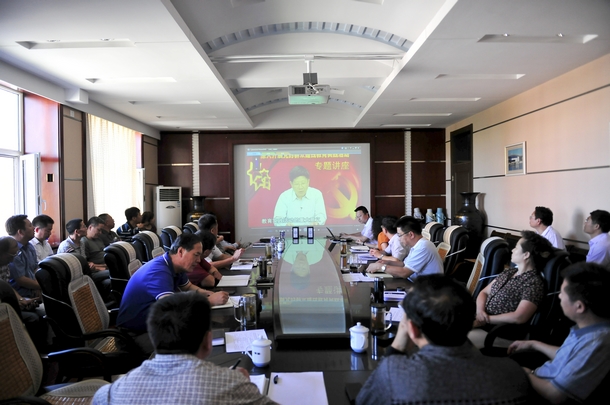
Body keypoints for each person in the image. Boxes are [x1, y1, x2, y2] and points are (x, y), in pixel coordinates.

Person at [356, 274, 531, 404]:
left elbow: (363, 401)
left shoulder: (394, 373)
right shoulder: (514, 373)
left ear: (412, 329)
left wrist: (396, 348)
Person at [93, 292, 276, 405]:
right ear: (208, 341)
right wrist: (242, 386)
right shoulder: (233, 386)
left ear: (154, 337)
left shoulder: (111, 393)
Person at [508, 262, 610, 403]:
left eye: (562, 293)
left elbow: (554, 395)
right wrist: (534, 344)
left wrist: (525, 373)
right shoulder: (589, 327)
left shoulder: (595, 342)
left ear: (579, 306)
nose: (559, 296)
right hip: (537, 379)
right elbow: (567, 357)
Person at [116, 233, 229, 355]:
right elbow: (172, 308)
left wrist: (207, 293)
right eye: (196, 255)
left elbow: (188, 287)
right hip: (134, 335)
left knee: (201, 333)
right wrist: (210, 301)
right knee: (191, 346)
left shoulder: (175, 265)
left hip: (157, 326)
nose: (199, 260)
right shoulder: (158, 271)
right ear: (181, 251)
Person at [470, 231, 554, 348]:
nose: (513, 250)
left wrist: (485, 319)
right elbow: (484, 292)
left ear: (526, 255)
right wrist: (480, 312)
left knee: (454, 339)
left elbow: (519, 317)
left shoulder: (533, 283)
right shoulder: (509, 272)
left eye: (516, 247)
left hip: (498, 333)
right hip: (481, 321)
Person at [366, 216, 443, 280]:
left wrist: (381, 267)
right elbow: (404, 264)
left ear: (411, 234)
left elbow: (404, 272)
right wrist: (386, 262)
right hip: (416, 284)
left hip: (428, 290)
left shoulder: (423, 247)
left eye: (400, 235)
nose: (399, 239)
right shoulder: (417, 245)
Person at [6, 215, 41, 299]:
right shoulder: (12, 250)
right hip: (20, 295)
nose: (33, 228)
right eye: (30, 225)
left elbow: (35, 268)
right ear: (21, 232)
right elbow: (21, 280)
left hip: (34, 289)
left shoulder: (30, 246)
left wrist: (37, 286)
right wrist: (41, 286)